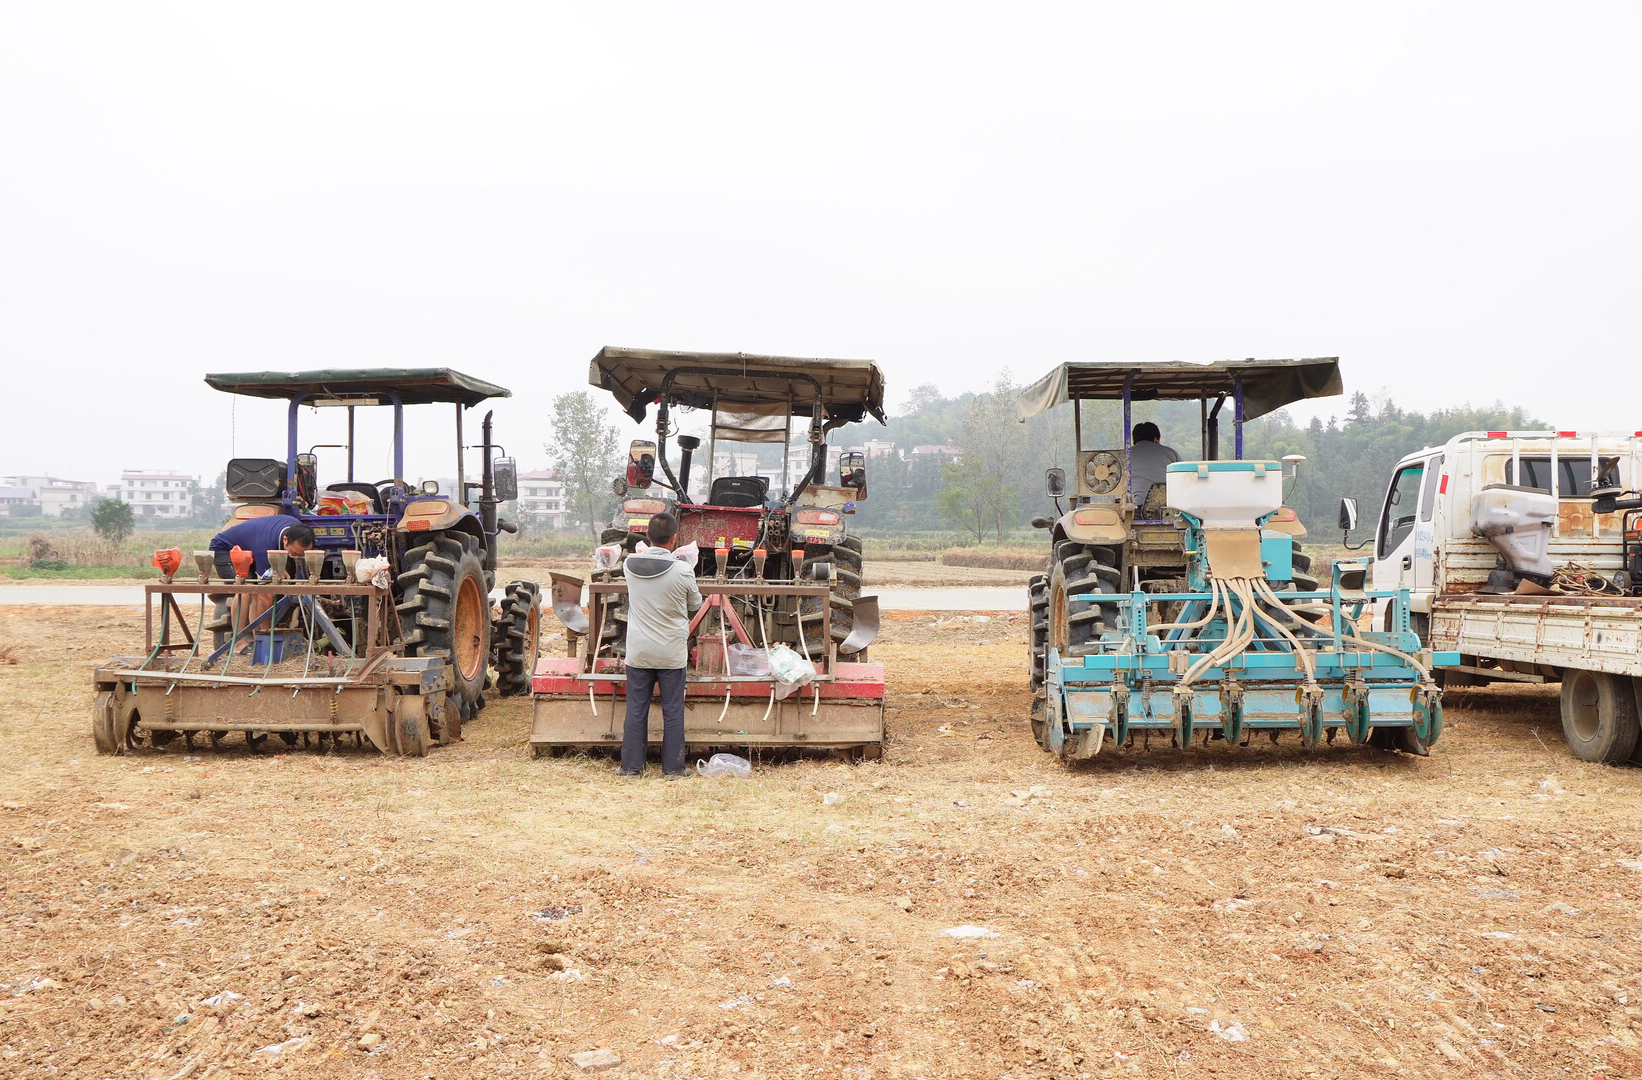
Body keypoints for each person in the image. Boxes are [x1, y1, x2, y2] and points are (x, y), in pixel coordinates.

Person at [618, 511, 703, 778]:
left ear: (646, 536)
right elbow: (695, 604)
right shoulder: (682, 570)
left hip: (639, 652)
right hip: (671, 654)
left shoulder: (629, 565)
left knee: (636, 709)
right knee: (673, 710)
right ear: (675, 539)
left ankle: (631, 768)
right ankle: (673, 769)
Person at [207, 515, 316, 632]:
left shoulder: (298, 529)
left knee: (257, 593)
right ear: (285, 540)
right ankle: (240, 643)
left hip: (249, 552)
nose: (296, 558)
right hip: (226, 550)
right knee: (246, 589)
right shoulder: (264, 547)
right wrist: (268, 631)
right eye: (294, 554)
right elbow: (265, 594)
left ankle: (257, 639)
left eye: (301, 556)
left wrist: (279, 566)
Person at [1128, 421, 1181, 504]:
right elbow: (1184, 476)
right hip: (1165, 507)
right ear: (1156, 440)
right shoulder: (1171, 453)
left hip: (1134, 507)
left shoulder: (1124, 456)